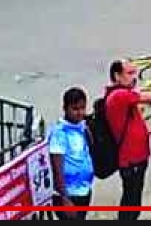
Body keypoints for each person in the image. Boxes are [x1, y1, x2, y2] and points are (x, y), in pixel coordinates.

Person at [103, 59, 151, 221]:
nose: (134, 77)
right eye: (129, 73)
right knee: (131, 202)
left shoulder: (124, 95)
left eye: (135, 73)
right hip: (131, 161)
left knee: (133, 200)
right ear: (117, 75)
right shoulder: (119, 95)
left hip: (137, 159)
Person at [48, 88, 93, 219]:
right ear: (65, 108)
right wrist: (65, 199)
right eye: (75, 109)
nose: (80, 113)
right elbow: (58, 170)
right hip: (68, 195)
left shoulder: (82, 127)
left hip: (83, 190)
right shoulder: (59, 133)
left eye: (82, 108)